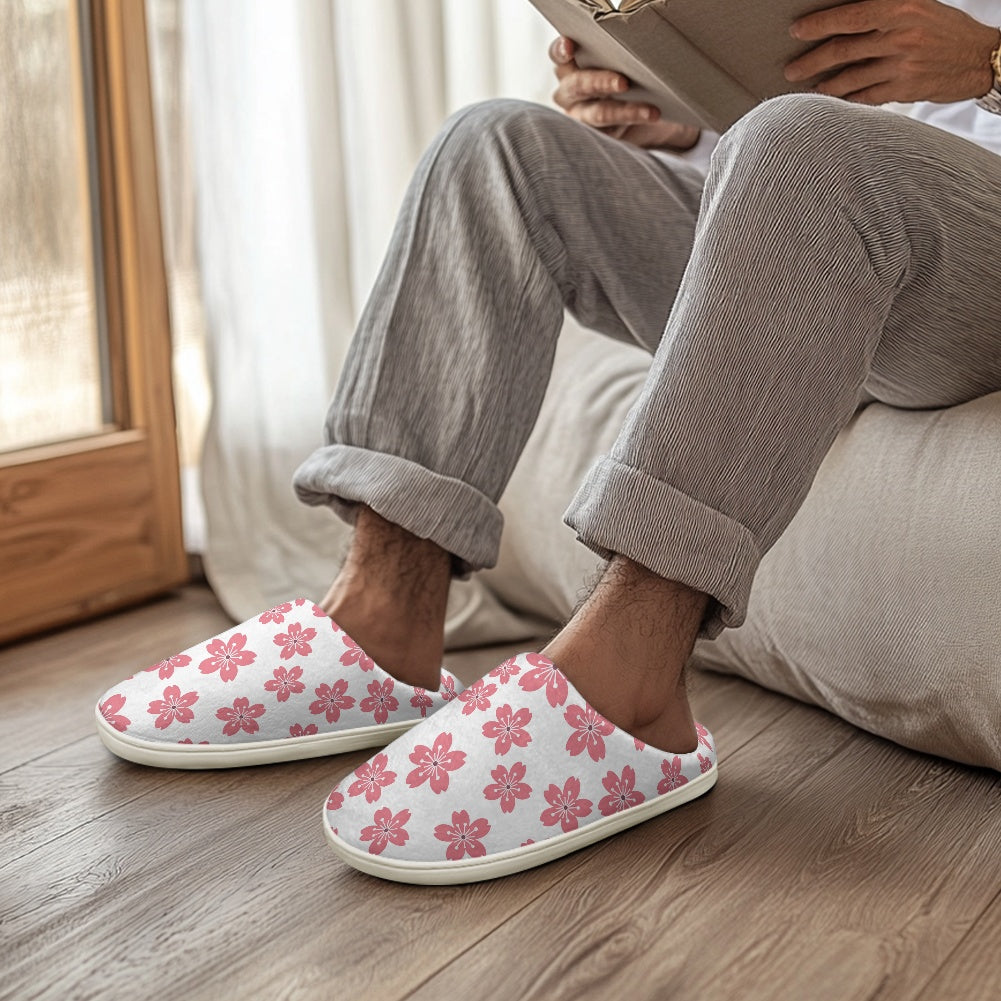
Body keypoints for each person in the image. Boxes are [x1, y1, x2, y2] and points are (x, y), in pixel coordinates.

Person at [96, 0, 1001, 884]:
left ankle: (635, 688)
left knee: (803, 147)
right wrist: (669, 114)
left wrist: (987, 61)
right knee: (497, 145)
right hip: (807, 198)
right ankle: (382, 618)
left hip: (955, 229)